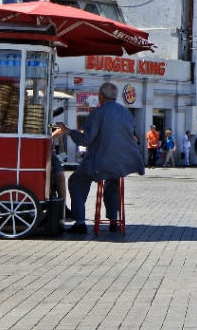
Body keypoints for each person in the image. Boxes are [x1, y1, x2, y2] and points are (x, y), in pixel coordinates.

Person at [52, 82, 143, 234]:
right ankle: (113, 220)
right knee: (112, 182)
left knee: (76, 181)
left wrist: (67, 130)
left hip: (99, 163)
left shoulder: (98, 113)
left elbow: (85, 139)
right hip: (122, 163)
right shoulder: (126, 112)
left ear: (101, 96)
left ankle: (80, 222)